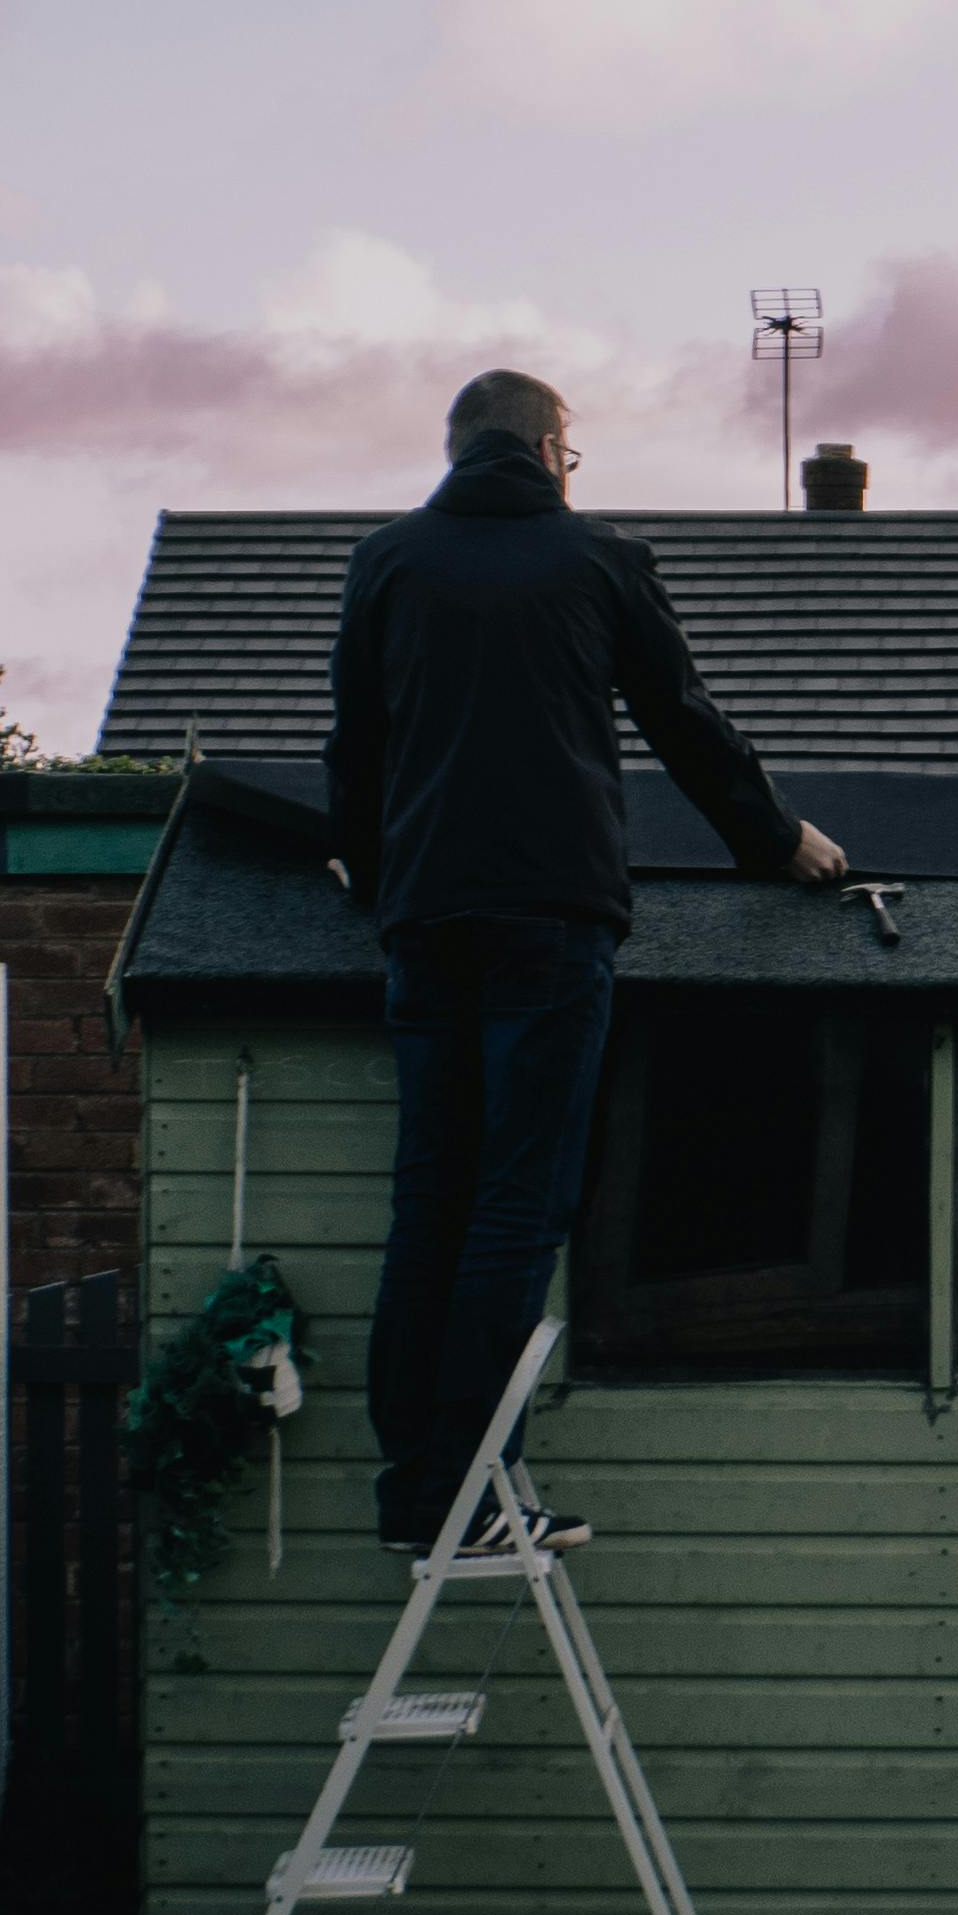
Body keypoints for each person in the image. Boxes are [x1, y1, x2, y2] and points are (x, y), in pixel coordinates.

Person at [327, 369, 847, 1553]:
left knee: (430, 1204)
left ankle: (419, 1496)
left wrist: (362, 863)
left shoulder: (387, 563)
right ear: (555, 448)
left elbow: (356, 741)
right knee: (517, 1205)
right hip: (552, 917)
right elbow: (684, 721)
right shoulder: (600, 560)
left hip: (424, 914)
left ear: (456, 447)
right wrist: (776, 841)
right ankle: (478, 1501)